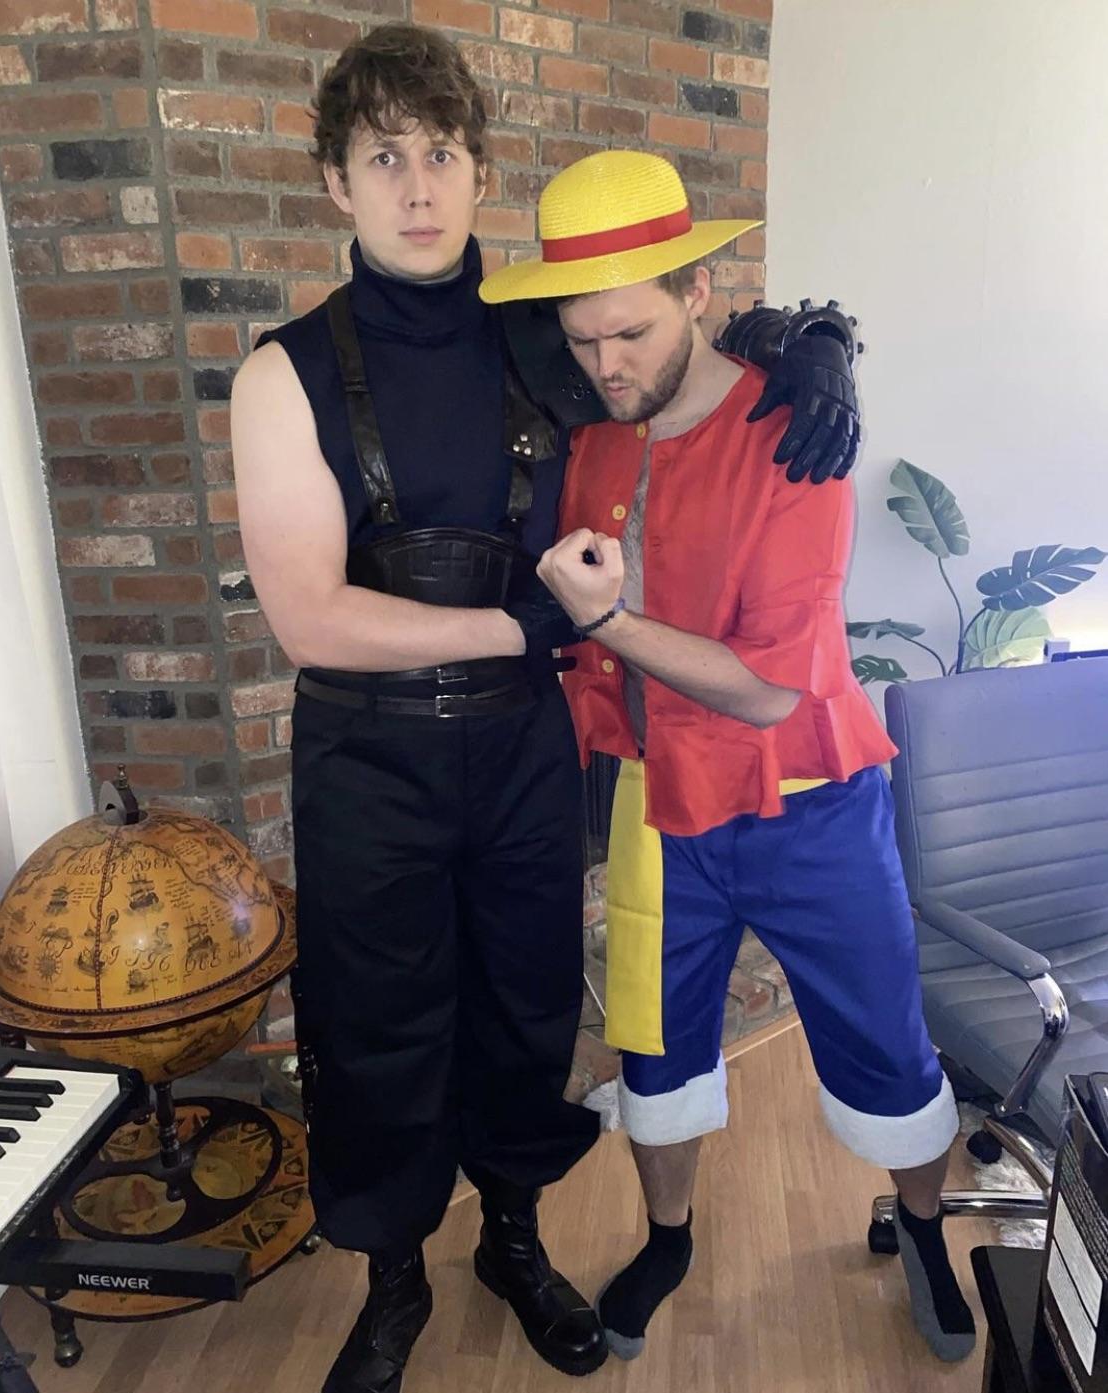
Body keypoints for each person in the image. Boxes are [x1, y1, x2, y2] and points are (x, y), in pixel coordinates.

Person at [231, 24, 863, 1393]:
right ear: (335, 181)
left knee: (525, 1005)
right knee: (379, 1022)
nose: (416, 188)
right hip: (368, 757)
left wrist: (813, 347)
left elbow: (678, 347)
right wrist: (525, 624)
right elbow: (311, 619)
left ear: (478, 170)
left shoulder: (544, 338)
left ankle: (510, 1241)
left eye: (440, 154)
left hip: (521, 747)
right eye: (382, 158)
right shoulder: (282, 375)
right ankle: (394, 1280)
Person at [481, 148, 976, 1367]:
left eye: (632, 333)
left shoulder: (797, 439)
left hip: (812, 803)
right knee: (657, 1047)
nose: (607, 364)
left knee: (882, 1037)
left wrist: (606, 620)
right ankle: (668, 1237)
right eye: (583, 339)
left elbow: (767, 688)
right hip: (658, 804)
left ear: (696, 292)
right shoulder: (595, 442)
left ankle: (923, 1227)